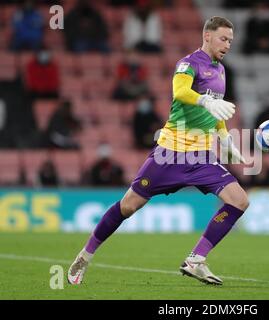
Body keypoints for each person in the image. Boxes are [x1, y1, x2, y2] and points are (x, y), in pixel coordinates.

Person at [68, 16, 248, 286]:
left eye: (231, 41)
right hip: (170, 154)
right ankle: (85, 255)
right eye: (223, 38)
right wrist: (204, 101)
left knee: (240, 200)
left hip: (201, 158)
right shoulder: (188, 63)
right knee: (128, 206)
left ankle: (196, 260)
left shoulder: (221, 70)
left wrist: (225, 139)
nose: (227, 45)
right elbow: (180, 92)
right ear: (207, 36)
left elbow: (217, 110)